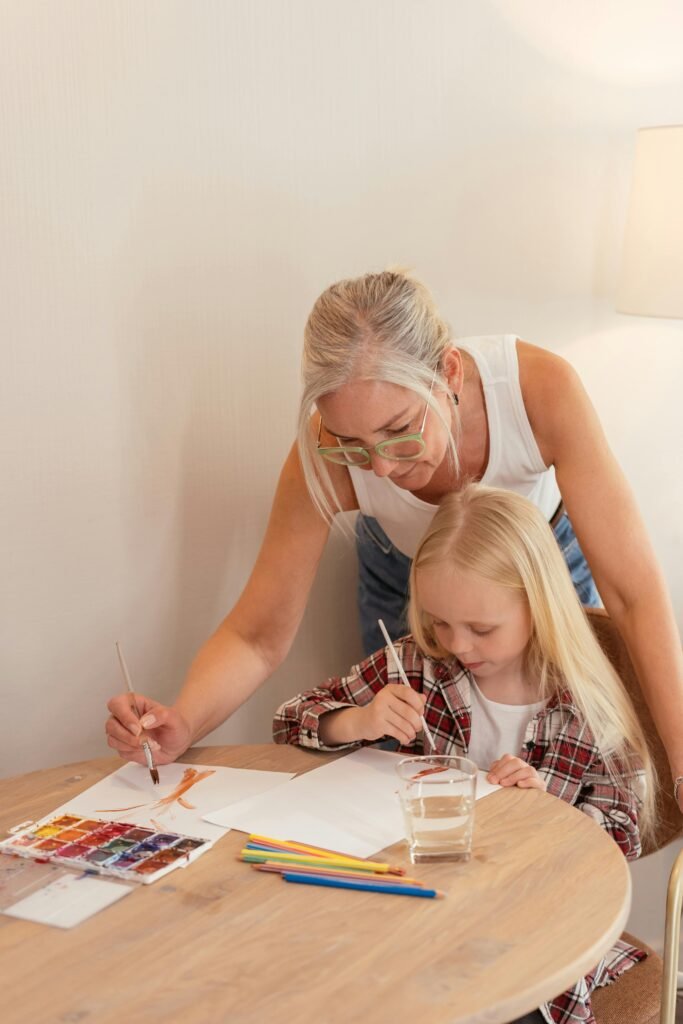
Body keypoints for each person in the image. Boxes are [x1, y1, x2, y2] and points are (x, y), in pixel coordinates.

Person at [105, 270, 683, 813]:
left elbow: (633, 596)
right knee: (411, 766)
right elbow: (257, 636)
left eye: (399, 430)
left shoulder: (538, 389)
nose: (379, 469)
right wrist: (183, 721)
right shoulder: (321, 450)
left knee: (560, 775)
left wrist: (680, 765)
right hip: (403, 574)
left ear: (449, 374)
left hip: (541, 570)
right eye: (350, 443)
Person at [272, 484, 654, 1024]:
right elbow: (289, 720)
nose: (458, 645)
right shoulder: (420, 663)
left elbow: (624, 830)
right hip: (417, 909)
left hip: (533, 924)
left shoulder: (585, 698)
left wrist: (547, 813)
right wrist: (359, 720)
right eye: (440, 620)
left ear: (537, 603)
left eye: (482, 628)